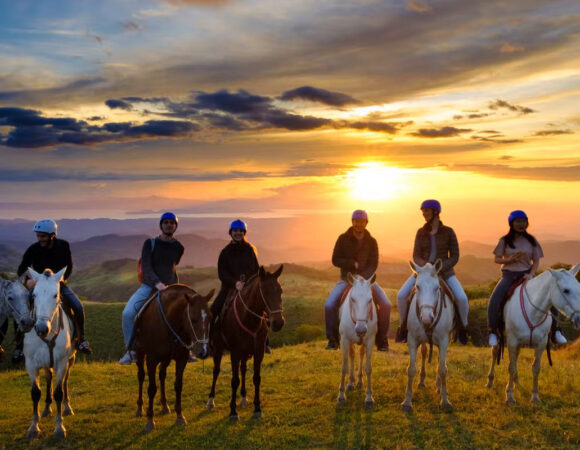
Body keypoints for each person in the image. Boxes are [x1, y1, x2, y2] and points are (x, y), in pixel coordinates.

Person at [13, 219, 92, 362]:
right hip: (39, 286)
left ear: (52, 235)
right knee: (23, 309)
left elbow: (68, 267)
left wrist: (60, 280)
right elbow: (21, 269)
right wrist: (27, 280)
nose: (39, 239)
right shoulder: (33, 249)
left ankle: (81, 340)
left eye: (42, 236)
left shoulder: (63, 246)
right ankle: (18, 346)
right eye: (38, 235)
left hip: (58, 284)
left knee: (78, 306)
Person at [487, 210, 567, 347]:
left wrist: (531, 274)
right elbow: (496, 259)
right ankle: (493, 331)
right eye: (518, 222)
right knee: (495, 298)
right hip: (509, 275)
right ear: (511, 223)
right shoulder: (504, 241)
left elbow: (536, 261)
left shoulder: (532, 241)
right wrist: (509, 260)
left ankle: (556, 331)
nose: (521, 224)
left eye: (523, 222)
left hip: (527, 274)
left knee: (550, 297)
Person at [395, 200, 469, 345]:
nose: (424, 214)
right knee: (402, 295)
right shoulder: (420, 232)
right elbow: (416, 255)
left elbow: (455, 256)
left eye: (427, 211)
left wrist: (439, 267)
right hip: (422, 273)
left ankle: (463, 329)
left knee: (461, 298)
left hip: (444, 273)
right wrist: (425, 267)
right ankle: (403, 328)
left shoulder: (449, 232)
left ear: (436, 212)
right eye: (423, 211)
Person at [119, 212, 185, 364]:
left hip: (172, 287)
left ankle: (185, 349)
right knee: (128, 314)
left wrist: (170, 286)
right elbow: (147, 267)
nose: (169, 225)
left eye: (172, 223)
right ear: (161, 225)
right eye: (166, 222)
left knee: (187, 314)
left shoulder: (179, 247)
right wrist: (157, 283)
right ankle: (132, 351)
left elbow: (173, 266)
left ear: (176, 226)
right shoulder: (150, 243)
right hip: (149, 286)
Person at [324, 210, 391, 351]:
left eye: (361, 221)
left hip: (366, 281)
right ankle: (333, 339)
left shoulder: (372, 242)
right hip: (347, 279)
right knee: (329, 305)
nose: (358, 224)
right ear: (352, 221)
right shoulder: (343, 238)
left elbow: (374, 263)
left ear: (366, 223)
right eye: (355, 221)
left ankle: (382, 340)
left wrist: (364, 277)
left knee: (386, 304)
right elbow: (335, 259)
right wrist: (350, 264)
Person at [210, 219, 269, 351]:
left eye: (240, 231)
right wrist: (235, 283)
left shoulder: (250, 250)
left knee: (264, 309)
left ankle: (265, 341)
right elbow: (222, 274)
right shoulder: (225, 252)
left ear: (244, 233)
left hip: (248, 288)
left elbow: (255, 269)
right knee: (212, 311)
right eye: (235, 231)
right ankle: (210, 342)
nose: (238, 233)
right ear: (231, 233)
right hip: (229, 288)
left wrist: (251, 284)